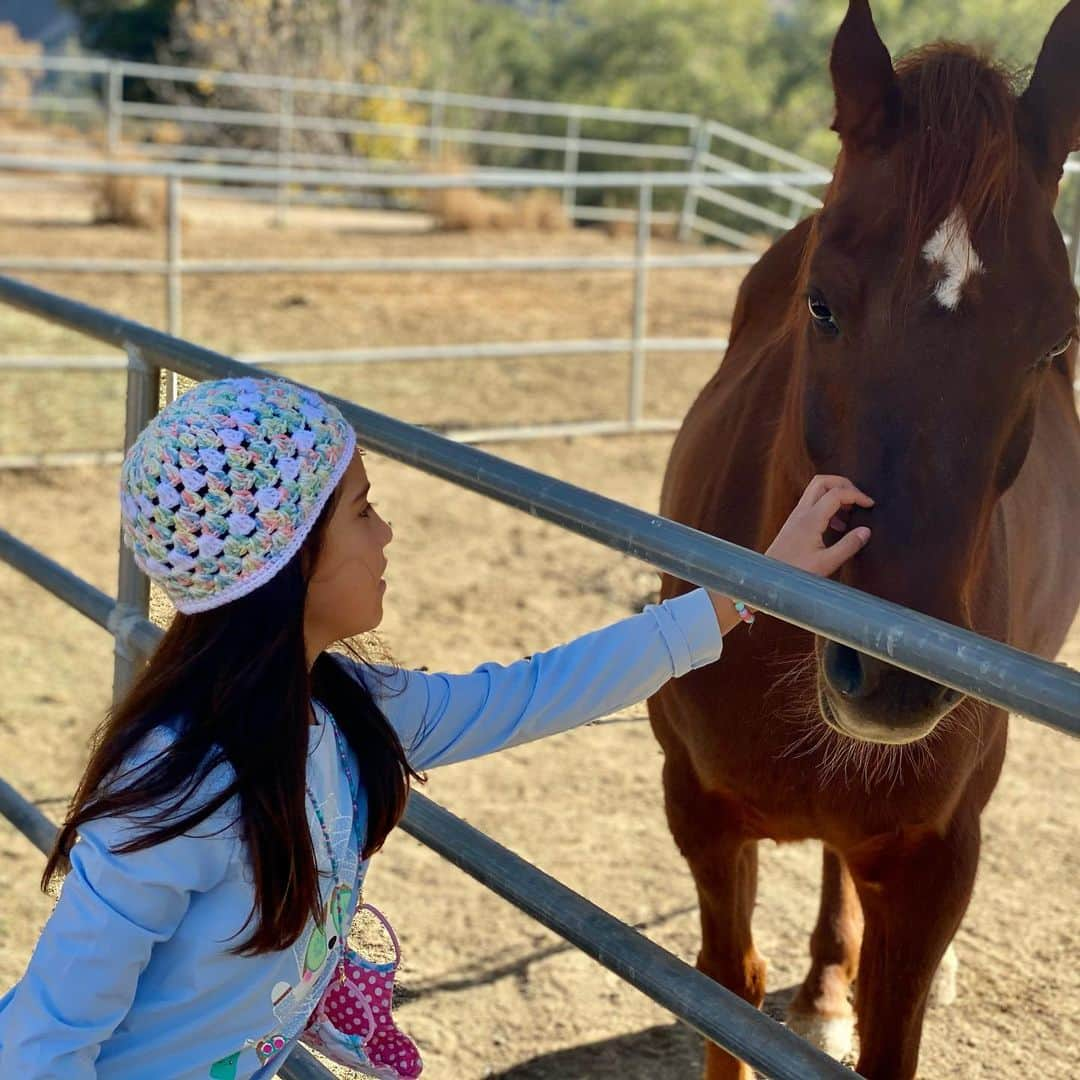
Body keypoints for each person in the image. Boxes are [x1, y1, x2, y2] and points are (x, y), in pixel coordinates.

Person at [0, 377, 873, 1080]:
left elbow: (539, 691)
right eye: (362, 511)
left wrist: (754, 586)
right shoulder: (176, 793)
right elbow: (46, 1039)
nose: (388, 533)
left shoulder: (347, 713)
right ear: (288, 560)